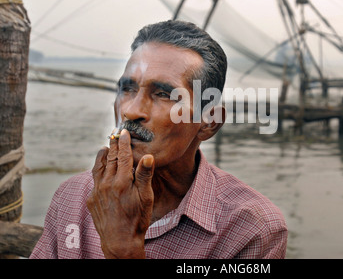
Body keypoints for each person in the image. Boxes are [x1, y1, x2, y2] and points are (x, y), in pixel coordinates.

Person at [30, 20, 288, 259]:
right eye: (127, 89)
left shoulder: (251, 229)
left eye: (163, 93)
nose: (131, 110)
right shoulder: (73, 197)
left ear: (209, 122)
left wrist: (124, 251)